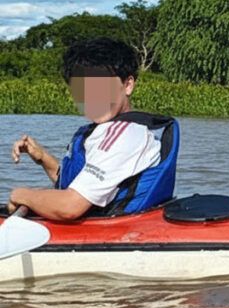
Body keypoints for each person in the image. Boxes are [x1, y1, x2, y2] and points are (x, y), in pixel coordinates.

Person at [7, 37, 179, 221]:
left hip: (114, 234)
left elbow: (70, 206)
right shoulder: (104, 130)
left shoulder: (122, 136)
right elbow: (82, 184)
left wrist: (20, 194)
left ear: (127, 85)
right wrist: (43, 158)